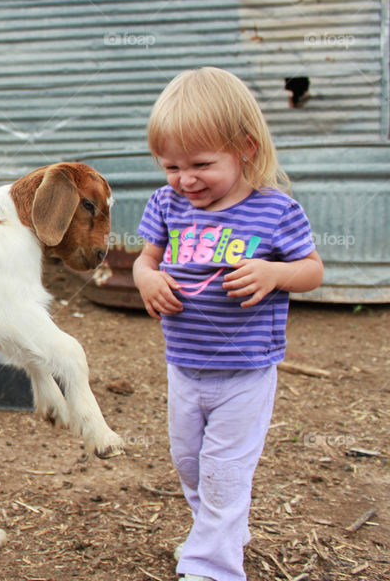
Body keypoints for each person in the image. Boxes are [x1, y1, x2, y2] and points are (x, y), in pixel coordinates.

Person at [132, 67, 324, 581]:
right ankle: (219, 529)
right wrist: (147, 279)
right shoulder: (166, 203)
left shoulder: (275, 210)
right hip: (184, 366)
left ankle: (211, 566)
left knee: (224, 470)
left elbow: (312, 271)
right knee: (190, 464)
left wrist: (275, 272)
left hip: (245, 370)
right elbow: (144, 261)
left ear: (245, 149)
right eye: (170, 165)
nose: (184, 179)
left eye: (200, 164)